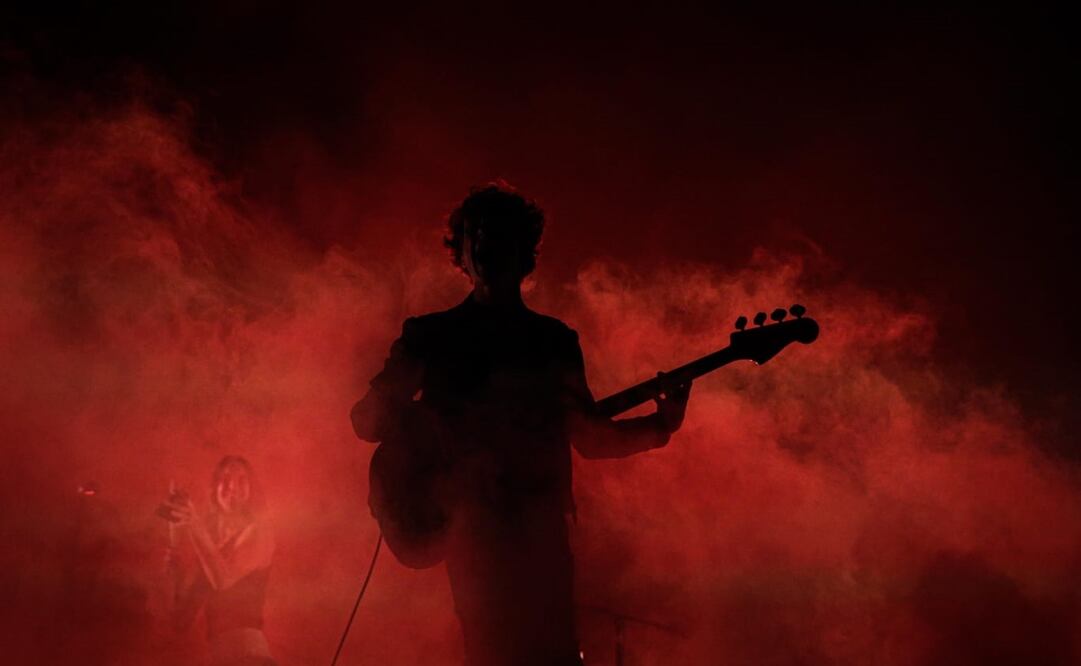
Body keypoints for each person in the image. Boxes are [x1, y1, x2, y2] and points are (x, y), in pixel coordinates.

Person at [351, 183, 691, 666]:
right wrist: (416, 423)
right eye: (476, 233)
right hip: (475, 536)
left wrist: (660, 426)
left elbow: (588, 437)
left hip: (542, 536)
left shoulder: (553, 341)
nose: (486, 242)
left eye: (499, 234)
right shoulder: (430, 337)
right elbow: (366, 422)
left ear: (524, 255)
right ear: (461, 255)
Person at [159, 456, 276, 666]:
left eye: (242, 480)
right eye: (226, 478)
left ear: (251, 490)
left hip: (252, 658)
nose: (233, 486)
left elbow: (224, 580)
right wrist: (174, 572)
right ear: (214, 487)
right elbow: (180, 621)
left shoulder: (259, 532)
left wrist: (194, 524)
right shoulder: (209, 555)